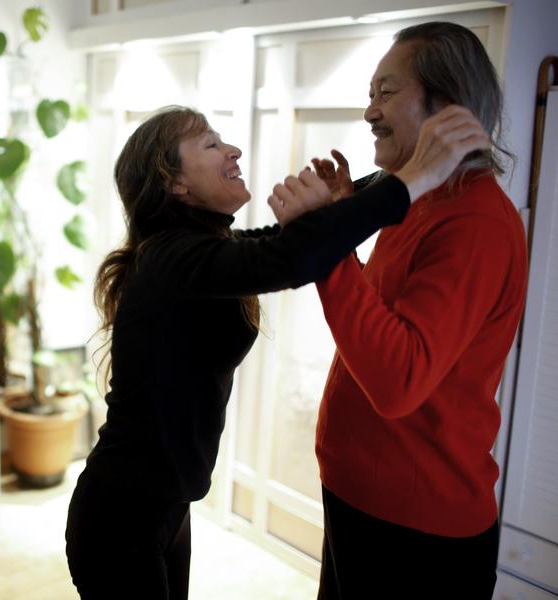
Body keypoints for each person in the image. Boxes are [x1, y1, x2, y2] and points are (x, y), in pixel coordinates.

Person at [64, 103, 490, 599]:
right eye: (211, 144)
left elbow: (290, 240)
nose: (233, 150)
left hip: (165, 507)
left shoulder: (197, 249)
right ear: (175, 183)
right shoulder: (170, 258)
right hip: (120, 518)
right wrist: (417, 175)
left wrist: (386, 178)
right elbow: (293, 256)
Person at [294, 22, 528, 599]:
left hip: (416, 528)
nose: (369, 111)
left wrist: (327, 245)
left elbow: (399, 380)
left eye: (386, 92)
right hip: (363, 497)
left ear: (447, 106)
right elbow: (380, 321)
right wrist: (343, 222)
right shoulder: (417, 199)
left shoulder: (475, 222)